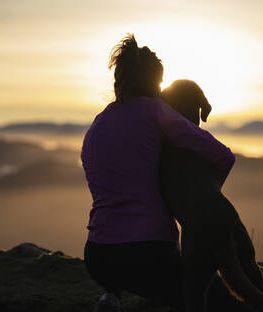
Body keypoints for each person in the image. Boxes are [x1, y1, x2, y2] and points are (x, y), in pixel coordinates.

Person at [82, 34, 243, 311]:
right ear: (154, 82)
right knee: (219, 299)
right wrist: (203, 199)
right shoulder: (155, 112)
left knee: (142, 275)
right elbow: (222, 156)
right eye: (159, 83)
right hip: (149, 253)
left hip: (98, 256)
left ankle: (112, 294)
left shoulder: (97, 124)